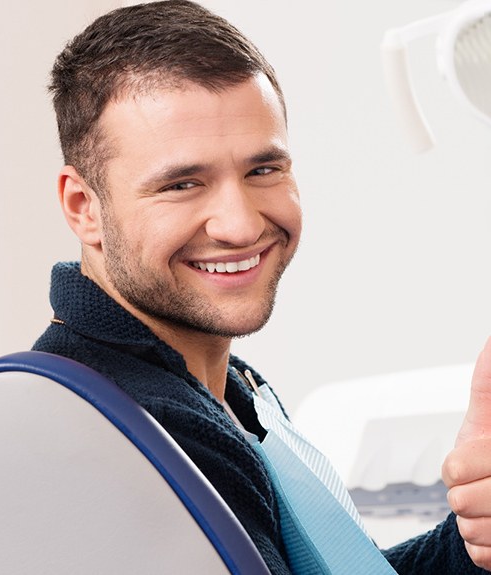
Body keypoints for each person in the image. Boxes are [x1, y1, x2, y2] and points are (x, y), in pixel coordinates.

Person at [32, 1, 491, 572]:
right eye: (181, 184)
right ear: (84, 207)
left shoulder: (213, 386)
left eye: (263, 170)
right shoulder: (119, 435)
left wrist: (473, 545)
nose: (242, 224)